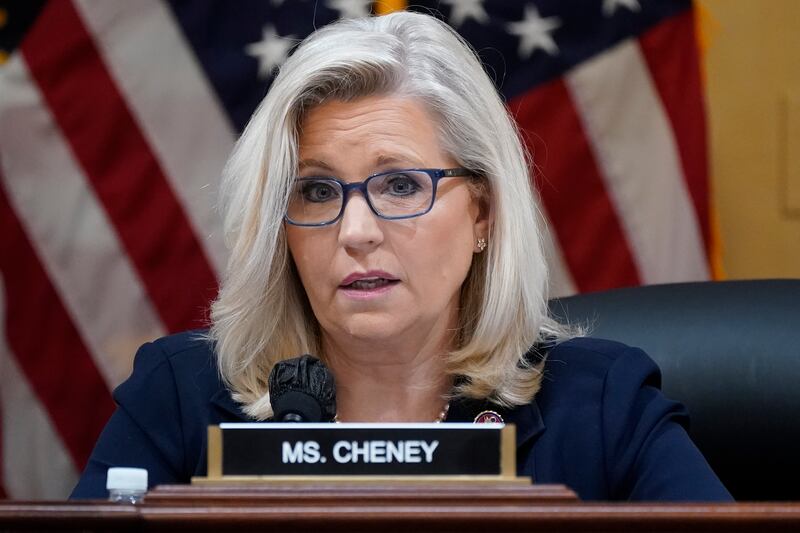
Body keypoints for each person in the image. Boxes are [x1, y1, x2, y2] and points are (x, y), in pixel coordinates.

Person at [71, 11, 731, 501]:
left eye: (400, 185)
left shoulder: (599, 407)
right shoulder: (182, 397)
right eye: (317, 191)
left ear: (483, 213)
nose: (355, 231)